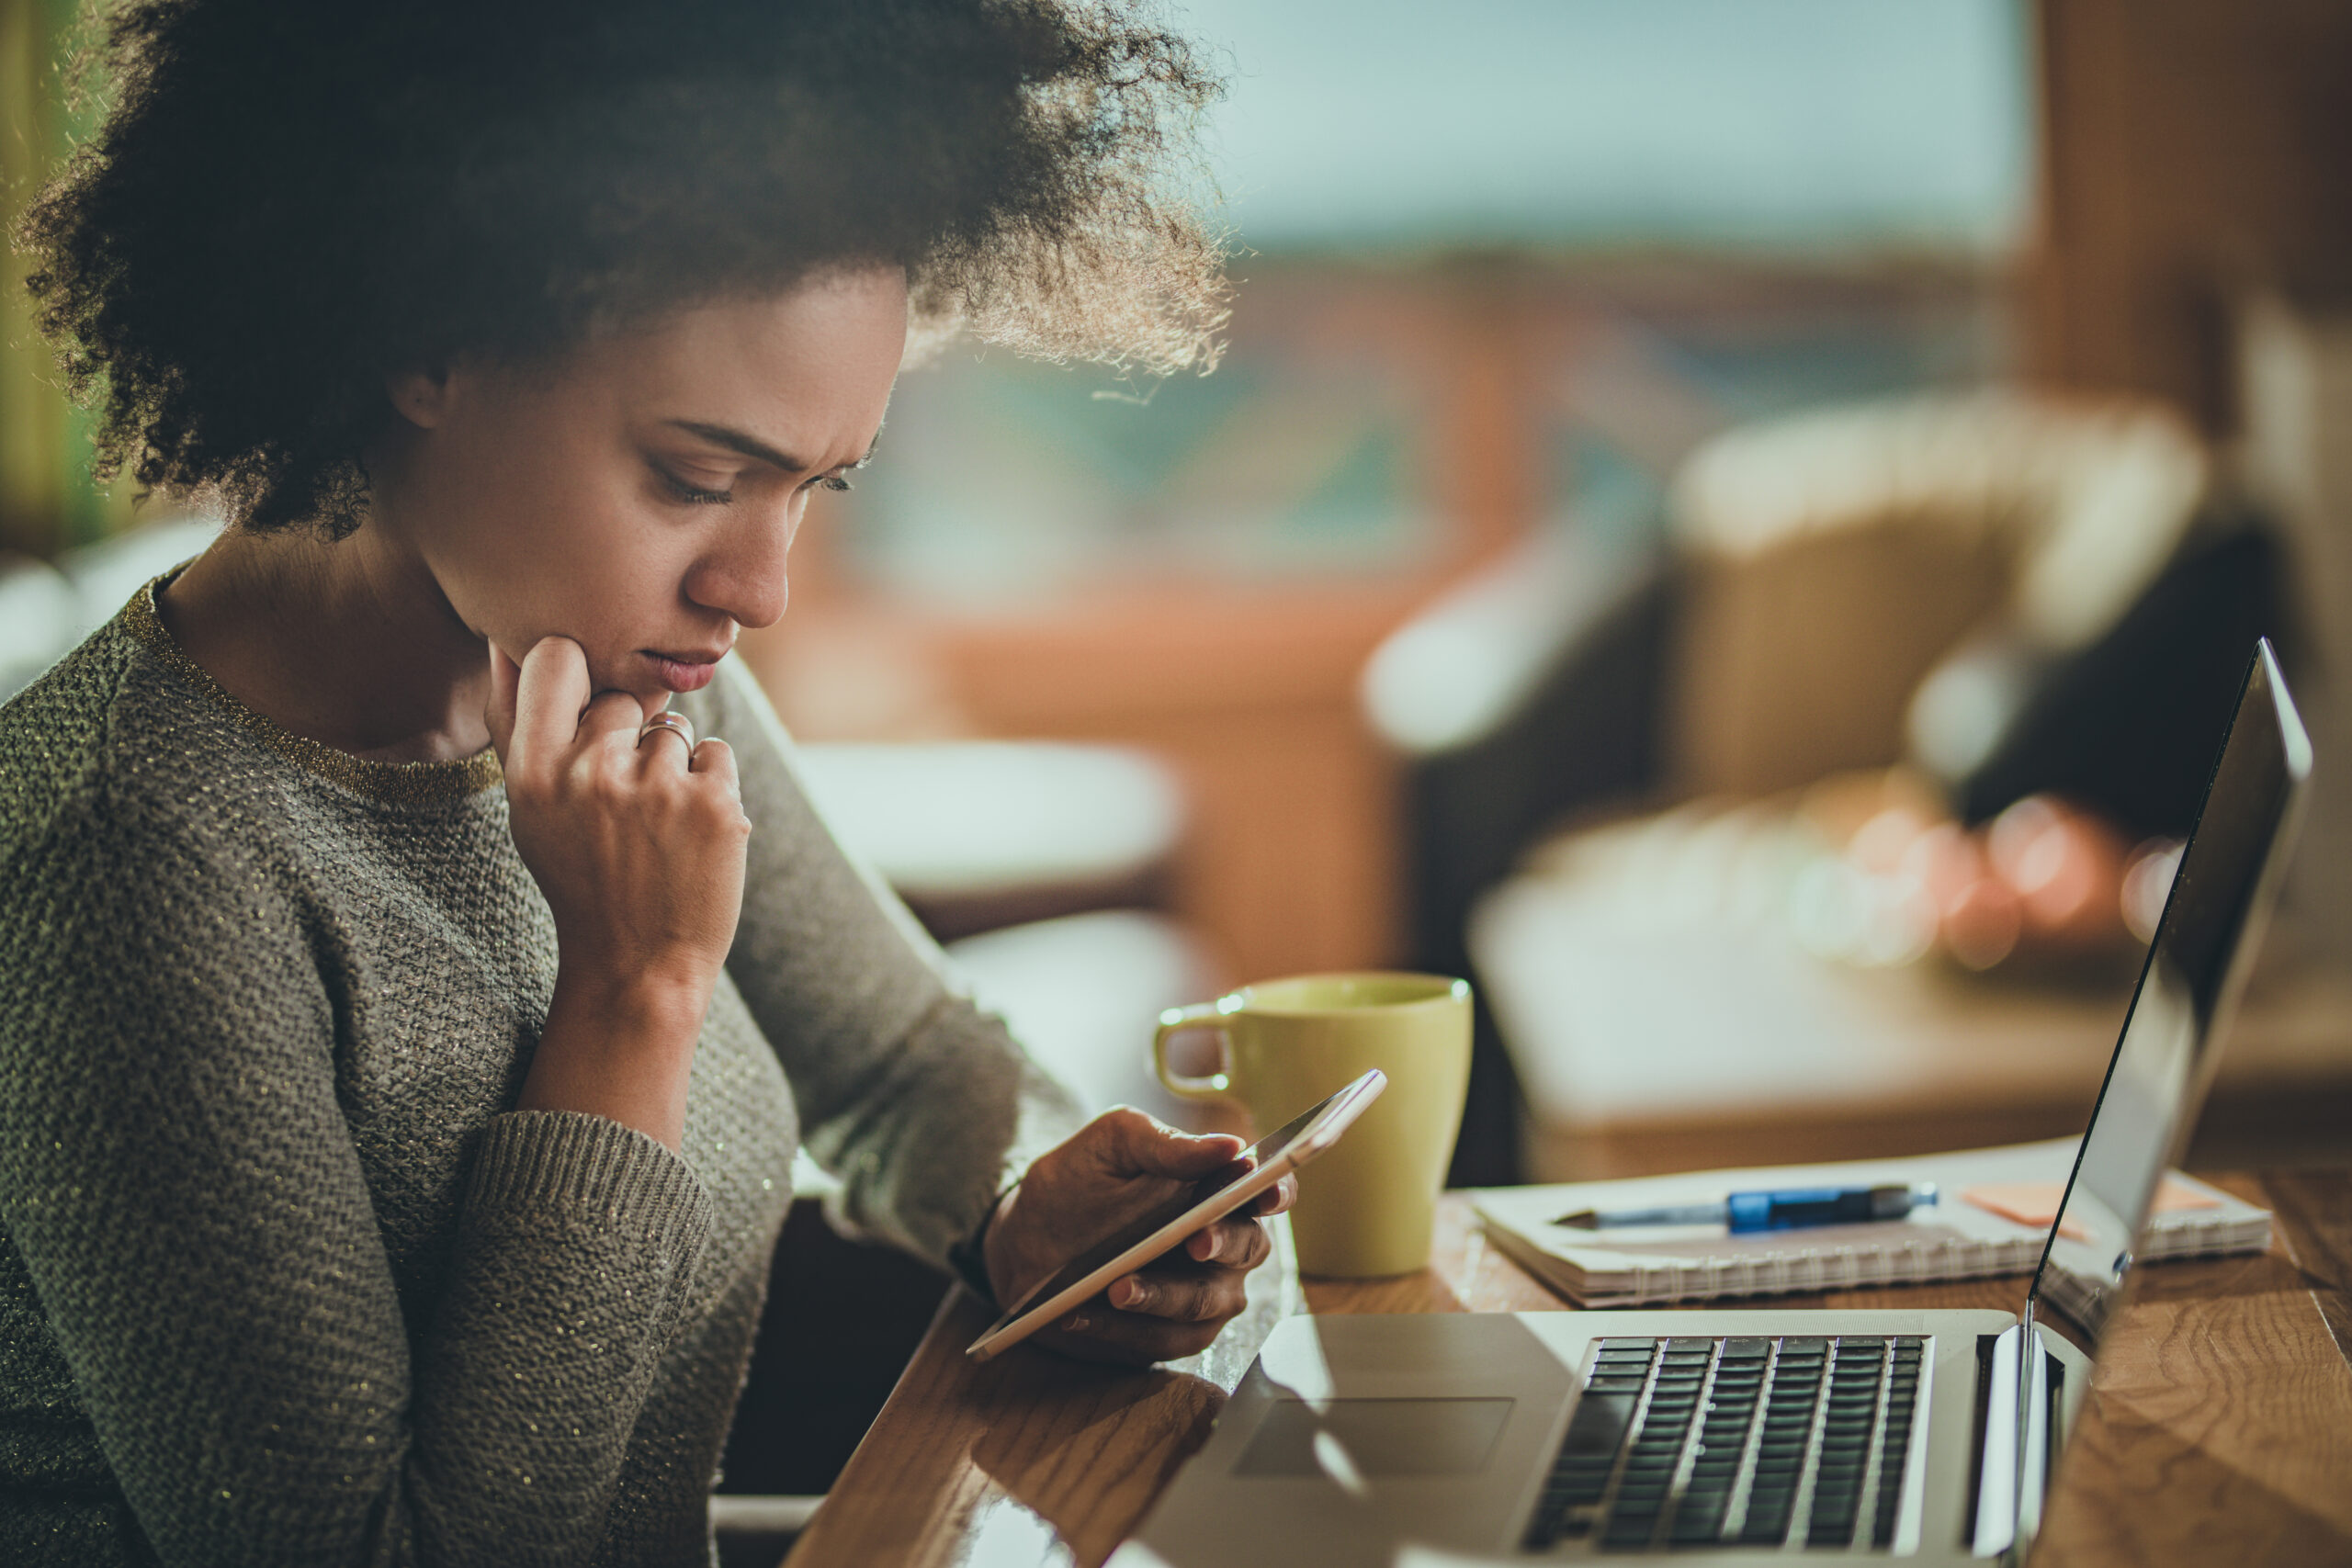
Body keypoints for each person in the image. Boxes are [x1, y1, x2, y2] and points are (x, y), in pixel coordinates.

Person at [0, 1, 1289, 1562]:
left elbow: (896, 1060)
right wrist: (628, 996)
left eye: (817, 488)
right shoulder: (126, 858)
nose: (759, 588)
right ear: (425, 340)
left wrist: (1035, 1208)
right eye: (694, 478)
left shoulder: (620, 659)